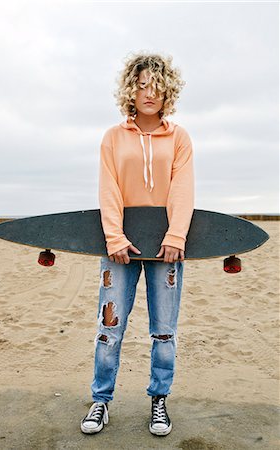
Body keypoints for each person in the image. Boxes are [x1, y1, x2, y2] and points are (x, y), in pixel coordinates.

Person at [80, 51, 195, 436]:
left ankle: (158, 401)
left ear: (167, 92)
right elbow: (108, 187)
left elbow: (182, 188)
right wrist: (113, 235)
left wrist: (176, 234)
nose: (149, 93)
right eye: (142, 84)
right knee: (109, 328)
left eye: (156, 86)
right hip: (120, 247)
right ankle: (101, 400)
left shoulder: (179, 138)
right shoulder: (113, 138)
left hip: (167, 249)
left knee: (164, 331)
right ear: (131, 89)